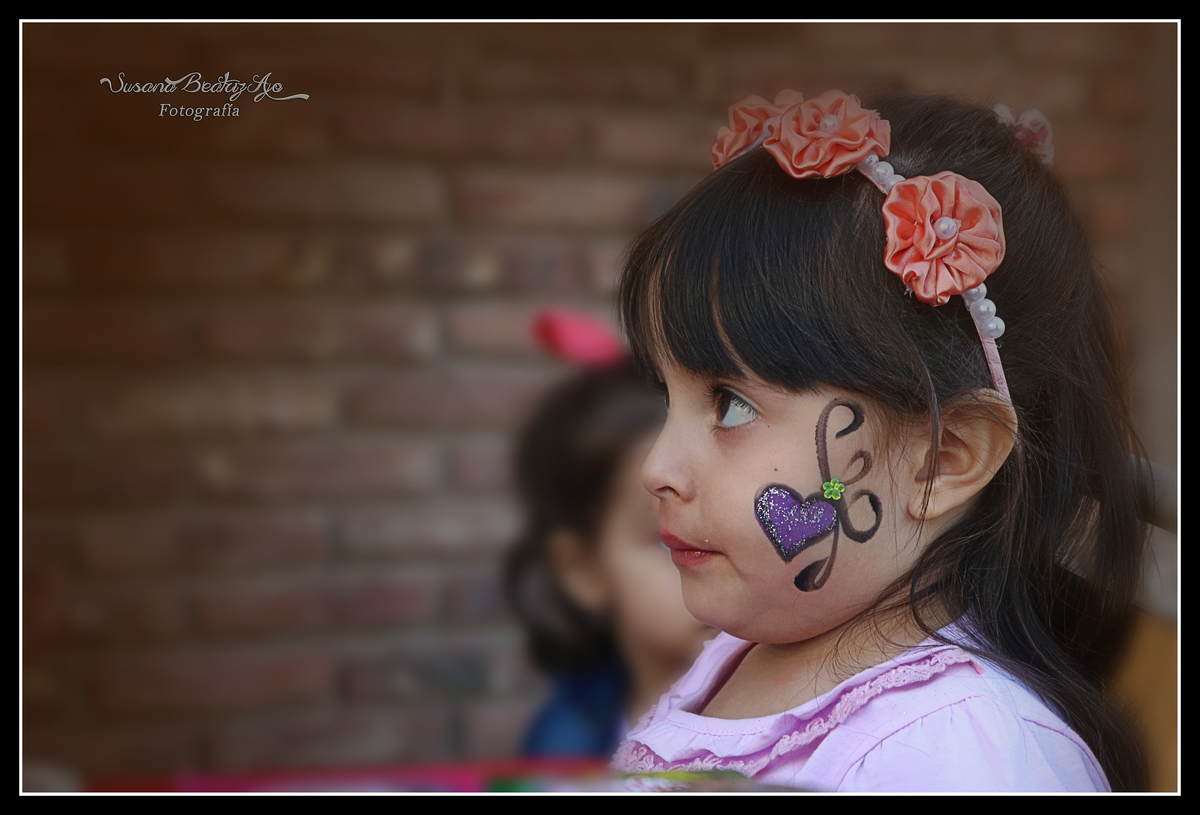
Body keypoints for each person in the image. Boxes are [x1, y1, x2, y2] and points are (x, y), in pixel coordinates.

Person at [610, 91, 1152, 791]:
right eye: (666, 395)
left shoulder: (957, 754)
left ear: (942, 458)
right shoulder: (754, 647)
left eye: (731, 404)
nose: (657, 467)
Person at [505, 310, 715, 760]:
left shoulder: (818, 721)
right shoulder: (565, 742)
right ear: (583, 570)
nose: (718, 556)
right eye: (666, 538)